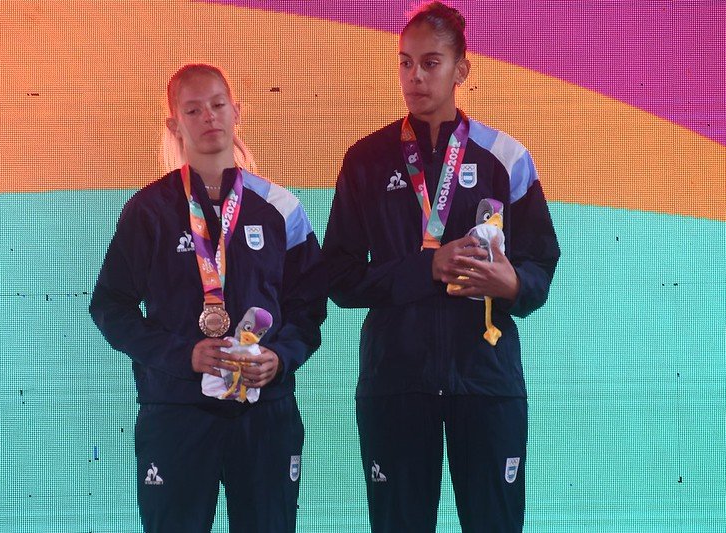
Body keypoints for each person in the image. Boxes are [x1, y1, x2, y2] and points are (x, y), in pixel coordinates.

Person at [322, 2, 560, 532]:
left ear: (461, 70)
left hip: (486, 381)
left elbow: (541, 262)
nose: (415, 76)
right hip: (396, 382)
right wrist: (425, 269)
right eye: (405, 63)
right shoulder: (366, 160)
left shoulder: (507, 158)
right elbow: (338, 277)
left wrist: (514, 284)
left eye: (431, 63)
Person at [89, 63, 326, 532]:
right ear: (175, 125)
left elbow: (309, 306)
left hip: (265, 412)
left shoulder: (282, 207)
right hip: (177, 412)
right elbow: (110, 306)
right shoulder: (148, 211)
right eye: (193, 110)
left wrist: (280, 357)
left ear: (236, 111)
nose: (209, 117)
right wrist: (183, 355)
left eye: (218, 105)